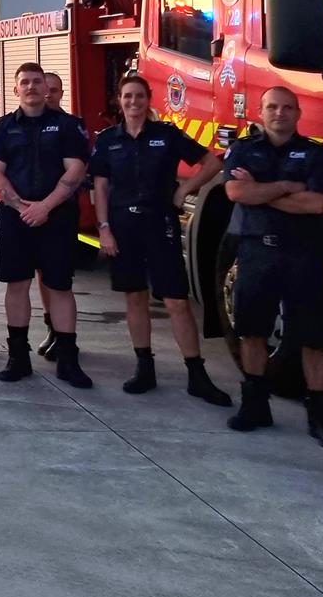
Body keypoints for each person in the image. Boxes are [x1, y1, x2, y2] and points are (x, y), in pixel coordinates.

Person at [90, 73, 231, 405]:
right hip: (123, 227)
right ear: (119, 100)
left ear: (148, 99)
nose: (133, 102)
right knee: (134, 299)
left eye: (139, 96)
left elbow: (211, 161)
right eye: (127, 96)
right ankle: (144, 368)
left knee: (176, 302)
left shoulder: (167, 136)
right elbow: (100, 187)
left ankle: (197, 374)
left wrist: (184, 189)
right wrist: (104, 227)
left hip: (160, 225)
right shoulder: (108, 140)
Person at [222, 87, 323, 450]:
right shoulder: (243, 149)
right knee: (252, 332)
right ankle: (255, 407)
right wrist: (285, 187)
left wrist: (261, 191)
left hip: (303, 254)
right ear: (260, 112)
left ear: (298, 112)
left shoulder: (315, 154)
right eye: (272, 107)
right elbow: (236, 193)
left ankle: (322, 419)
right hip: (256, 251)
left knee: (314, 338)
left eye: (287, 107)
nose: (280, 113)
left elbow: (315, 203)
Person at [0, 62, 92, 387]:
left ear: (47, 89)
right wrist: (20, 206)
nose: (31, 87)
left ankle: (68, 361)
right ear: (16, 90)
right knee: (17, 286)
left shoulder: (68, 126)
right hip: (16, 219)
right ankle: (18, 358)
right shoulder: (3, 127)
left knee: (59, 287)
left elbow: (75, 170)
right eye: (25, 83)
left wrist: (44, 206)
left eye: (37, 82)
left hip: (56, 219)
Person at [34, 70, 86, 359]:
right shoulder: (28, 124)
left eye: (55, 90)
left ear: (61, 93)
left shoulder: (72, 126)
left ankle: (67, 339)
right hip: (31, 212)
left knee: (60, 278)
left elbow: (77, 171)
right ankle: (51, 327)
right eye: (46, 89)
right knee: (41, 273)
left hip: (62, 211)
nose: (49, 94)